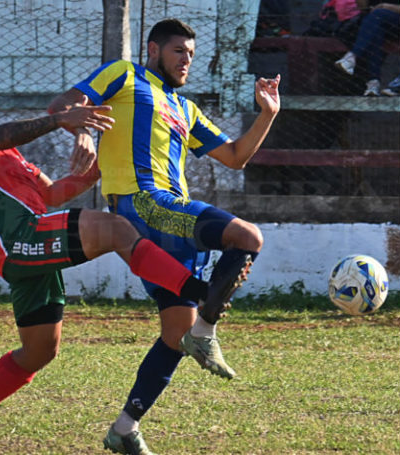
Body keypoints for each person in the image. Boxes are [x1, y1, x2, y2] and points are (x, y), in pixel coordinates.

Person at [0, 57, 232, 455]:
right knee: (115, 229)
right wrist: (59, 120)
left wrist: (101, 165)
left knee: (39, 352)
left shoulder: (5, 154)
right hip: (21, 240)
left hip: (29, 248)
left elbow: (50, 195)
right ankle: (200, 292)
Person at [48, 18, 281, 454]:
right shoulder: (124, 74)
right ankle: (208, 331)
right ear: (153, 50)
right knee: (247, 238)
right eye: (179, 52)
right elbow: (66, 103)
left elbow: (234, 157)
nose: (187, 60)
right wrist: (83, 131)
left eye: (191, 54)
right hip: (146, 204)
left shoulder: (186, 108)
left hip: (165, 221)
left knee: (176, 330)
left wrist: (268, 114)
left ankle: (123, 429)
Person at [334, 1, 400, 95]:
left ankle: (352, 56)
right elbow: (362, 7)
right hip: (379, 21)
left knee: (377, 16)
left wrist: (386, 6)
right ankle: (373, 83)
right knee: (374, 31)